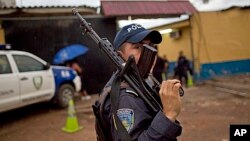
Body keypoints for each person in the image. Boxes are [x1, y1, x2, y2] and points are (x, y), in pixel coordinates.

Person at [99, 23, 182, 141]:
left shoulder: (141, 81)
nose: (149, 53)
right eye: (138, 47)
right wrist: (168, 115)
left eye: (151, 46)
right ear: (119, 56)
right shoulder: (125, 97)